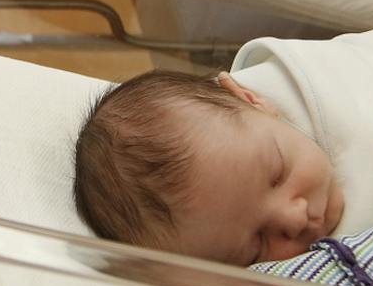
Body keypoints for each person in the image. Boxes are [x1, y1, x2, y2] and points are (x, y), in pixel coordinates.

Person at [71, 70, 344, 267]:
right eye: (255, 249)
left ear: (251, 99)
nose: (294, 219)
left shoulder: (312, 82)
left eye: (277, 173)